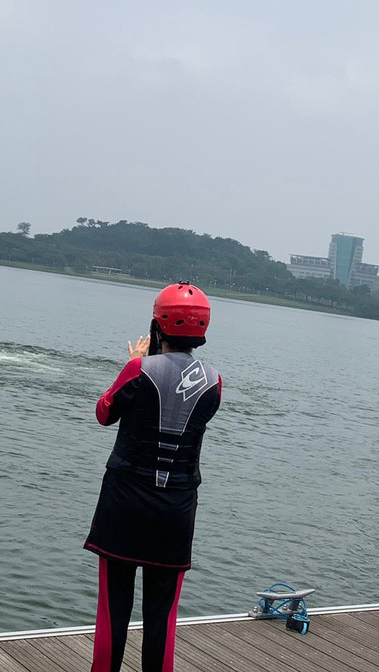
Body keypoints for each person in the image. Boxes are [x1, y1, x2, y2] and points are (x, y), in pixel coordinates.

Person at [84, 283, 222, 672]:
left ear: (157, 325)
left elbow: (104, 412)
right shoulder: (215, 383)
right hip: (175, 511)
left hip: (124, 505)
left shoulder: (139, 369)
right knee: (162, 617)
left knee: (114, 612)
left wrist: (134, 362)